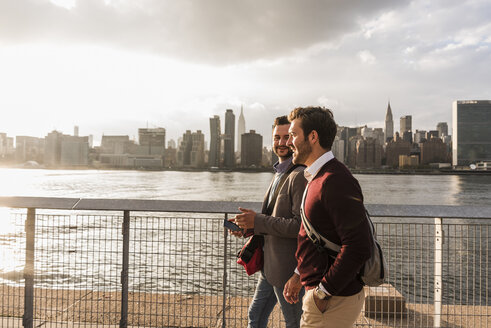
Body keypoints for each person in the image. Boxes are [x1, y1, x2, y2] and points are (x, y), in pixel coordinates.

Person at [282, 107, 372, 328]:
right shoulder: (317, 177)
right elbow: (314, 236)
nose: (288, 143)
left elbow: (359, 245)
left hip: (332, 301)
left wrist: (323, 293)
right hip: (322, 295)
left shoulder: (335, 180)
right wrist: (298, 275)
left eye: (293, 135)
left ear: (313, 137)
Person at [232, 115, 307, 328]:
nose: (281, 143)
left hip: (287, 269)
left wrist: (258, 220)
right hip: (270, 266)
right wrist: (248, 226)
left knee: (295, 323)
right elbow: (273, 219)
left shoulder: (299, 175)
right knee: (255, 316)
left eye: (287, 137)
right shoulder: (279, 173)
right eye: (277, 137)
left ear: (295, 139)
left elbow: (299, 226)